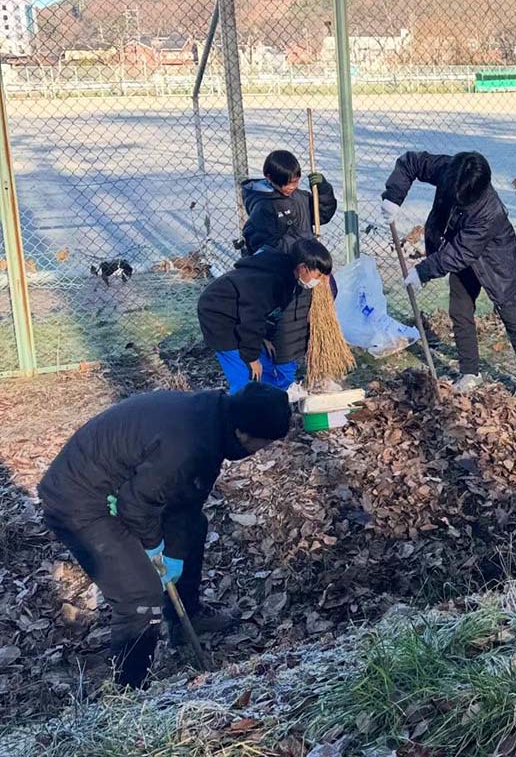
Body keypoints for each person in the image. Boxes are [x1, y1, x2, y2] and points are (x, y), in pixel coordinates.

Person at [37, 383, 292, 689]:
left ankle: (187, 618)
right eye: (262, 445)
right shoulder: (189, 443)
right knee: (140, 595)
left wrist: (174, 553)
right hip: (80, 499)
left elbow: (183, 502)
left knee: (192, 527)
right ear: (244, 433)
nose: (259, 452)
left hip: (123, 488)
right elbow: (135, 507)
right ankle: (129, 692)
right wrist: (155, 548)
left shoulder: (211, 420)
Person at [380, 151, 516, 401]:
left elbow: (461, 252)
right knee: (460, 310)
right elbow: (412, 163)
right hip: (458, 246)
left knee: (510, 313)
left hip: (495, 258)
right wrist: (394, 197)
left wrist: (423, 271)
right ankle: (470, 372)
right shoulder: (450, 169)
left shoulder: (489, 211)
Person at [198, 238, 334, 393]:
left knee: (265, 367)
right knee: (245, 374)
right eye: (319, 275)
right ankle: (242, 409)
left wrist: (264, 338)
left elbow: (265, 314)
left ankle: (267, 401)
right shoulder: (270, 281)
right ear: (303, 267)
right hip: (218, 315)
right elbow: (252, 318)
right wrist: (251, 357)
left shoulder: (287, 276)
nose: (322, 280)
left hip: (240, 312)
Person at [241, 150, 338, 254]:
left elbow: (322, 215)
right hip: (283, 264)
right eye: (287, 183)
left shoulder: (300, 197)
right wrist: (302, 250)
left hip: (307, 262)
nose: (292, 187)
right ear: (269, 177)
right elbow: (262, 245)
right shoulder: (263, 207)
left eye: (296, 181)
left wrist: (323, 191)